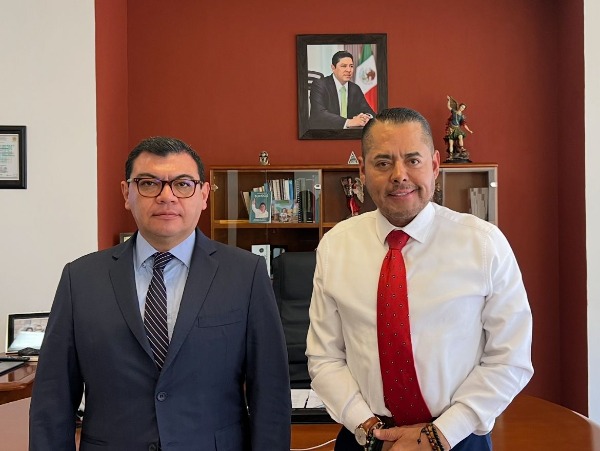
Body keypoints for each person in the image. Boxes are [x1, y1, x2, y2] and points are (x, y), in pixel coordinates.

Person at [29, 136, 291, 450]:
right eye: (149, 183)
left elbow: (271, 394)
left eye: (183, 184)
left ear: (204, 195)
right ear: (126, 193)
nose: (167, 197)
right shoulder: (81, 279)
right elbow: (52, 400)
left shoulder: (246, 274)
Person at [306, 108, 533, 451]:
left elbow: (509, 358)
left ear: (435, 165)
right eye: (383, 162)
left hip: (457, 438)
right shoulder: (336, 246)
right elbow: (325, 357)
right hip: (367, 438)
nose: (400, 175)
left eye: (413, 160)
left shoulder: (484, 245)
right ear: (362, 171)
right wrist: (370, 429)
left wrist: (440, 434)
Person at [309, 50, 376, 129]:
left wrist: (367, 117)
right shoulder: (320, 85)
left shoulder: (355, 88)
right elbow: (319, 114)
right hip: (324, 133)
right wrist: (349, 122)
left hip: (349, 134)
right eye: (344, 66)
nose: (349, 70)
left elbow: (369, 111)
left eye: (351, 66)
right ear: (333, 68)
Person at [444, 95, 473, 160]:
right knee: (451, 143)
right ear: (459, 106)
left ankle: (461, 147)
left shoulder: (462, 116)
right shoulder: (454, 111)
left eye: (463, 108)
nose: (462, 108)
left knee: (460, 136)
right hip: (451, 129)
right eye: (462, 107)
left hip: (457, 129)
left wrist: (469, 130)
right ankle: (451, 156)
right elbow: (448, 107)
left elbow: (464, 124)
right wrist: (448, 100)